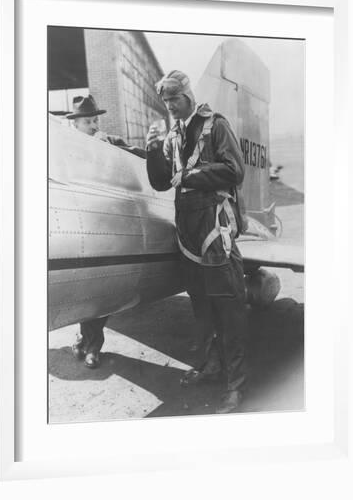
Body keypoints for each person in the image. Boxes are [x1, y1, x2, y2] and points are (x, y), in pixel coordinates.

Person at [146, 70, 248, 414]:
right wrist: (152, 150)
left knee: (228, 309)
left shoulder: (214, 124)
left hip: (214, 228)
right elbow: (162, 183)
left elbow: (235, 171)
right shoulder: (172, 135)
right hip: (187, 230)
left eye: (175, 98)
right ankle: (212, 367)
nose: (171, 105)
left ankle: (236, 387)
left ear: (188, 94)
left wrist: (189, 175)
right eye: (166, 100)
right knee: (202, 307)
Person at [67, 94, 146, 368]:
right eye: (87, 121)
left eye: (94, 120)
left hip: (108, 225)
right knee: (84, 289)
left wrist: (110, 149)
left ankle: (92, 346)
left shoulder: (108, 142)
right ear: (75, 124)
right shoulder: (68, 149)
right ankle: (84, 339)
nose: (92, 125)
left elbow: (139, 156)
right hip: (82, 225)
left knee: (100, 292)